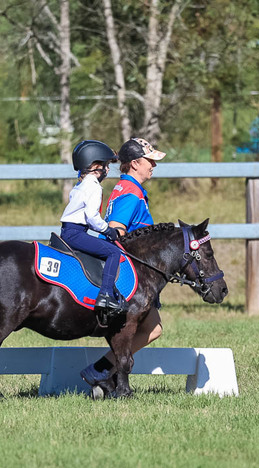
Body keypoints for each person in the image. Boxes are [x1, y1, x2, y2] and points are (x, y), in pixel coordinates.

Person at [80, 137, 167, 390]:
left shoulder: (125, 187)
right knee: (153, 329)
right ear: (135, 163)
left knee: (154, 328)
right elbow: (117, 229)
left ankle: (104, 372)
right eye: (150, 161)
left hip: (132, 271)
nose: (153, 166)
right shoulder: (131, 191)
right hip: (132, 274)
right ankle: (101, 370)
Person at [60, 140, 125, 318]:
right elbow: (92, 217)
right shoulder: (94, 187)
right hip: (76, 233)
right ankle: (105, 295)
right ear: (95, 166)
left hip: (68, 231)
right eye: (105, 165)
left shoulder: (80, 185)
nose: (107, 170)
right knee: (113, 253)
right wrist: (108, 231)